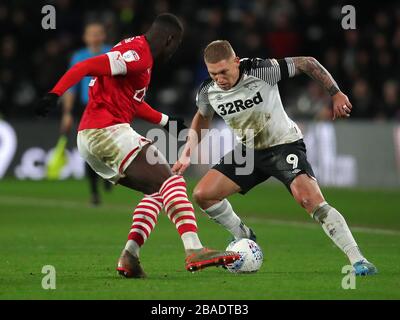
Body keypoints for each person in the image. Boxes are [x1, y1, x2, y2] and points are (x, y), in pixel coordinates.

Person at [35, 15, 239, 278]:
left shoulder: (136, 54)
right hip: (107, 130)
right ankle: (194, 249)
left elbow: (131, 100)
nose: (174, 51)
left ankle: (129, 257)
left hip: (91, 137)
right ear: (169, 40)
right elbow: (86, 66)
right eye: (176, 45)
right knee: (172, 182)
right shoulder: (137, 55)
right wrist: (55, 93)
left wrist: (165, 120)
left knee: (157, 192)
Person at [172, 40, 377, 276]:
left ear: (236, 62)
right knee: (203, 195)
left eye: (224, 72)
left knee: (309, 200)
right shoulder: (208, 91)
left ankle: (357, 258)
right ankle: (243, 236)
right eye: (213, 73)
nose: (219, 78)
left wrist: (336, 93)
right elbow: (203, 116)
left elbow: (307, 63)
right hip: (249, 151)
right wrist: (188, 150)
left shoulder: (261, 70)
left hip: (283, 146)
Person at [58, 21, 113, 206]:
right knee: (88, 149)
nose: (95, 37)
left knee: (110, 147)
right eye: (92, 33)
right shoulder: (79, 56)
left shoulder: (112, 52)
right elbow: (71, 87)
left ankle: (107, 175)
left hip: (110, 106)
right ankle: (94, 191)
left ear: (103, 35)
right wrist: (67, 113)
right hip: (88, 108)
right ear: (85, 37)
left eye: (98, 33)